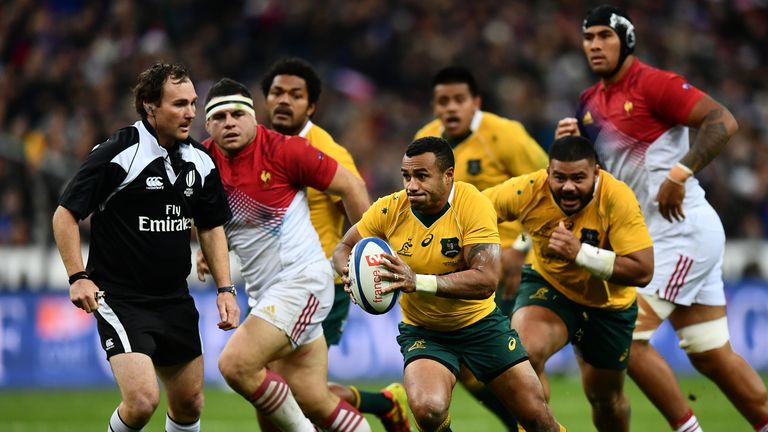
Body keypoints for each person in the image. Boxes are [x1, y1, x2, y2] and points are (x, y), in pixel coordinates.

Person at [555, 5, 768, 432]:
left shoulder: (654, 84)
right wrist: (575, 146)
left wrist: (682, 170)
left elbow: (721, 120)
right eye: (588, 37)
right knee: (711, 354)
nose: (595, 45)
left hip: (681, 231)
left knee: (623, 338)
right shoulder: (589, 103)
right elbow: (601, 177)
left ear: (626, 40)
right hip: (650, 238)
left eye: (605, 36)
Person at [51, 63, 240, 432]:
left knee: (190, 404)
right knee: (141, 401)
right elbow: (65, 215)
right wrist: (78, 277)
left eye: (192, 103)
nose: (190, 113)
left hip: (174, 299)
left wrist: (225, 289)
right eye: (178, 104)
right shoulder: (119, 153)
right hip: (121, 298)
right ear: (149, 106)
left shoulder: (201, 162)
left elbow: (212, 226)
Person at [332, 136, 563, 432]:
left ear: (448, 175)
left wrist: (418, 281)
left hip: (481, 325)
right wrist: (348, 274)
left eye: (421, 176)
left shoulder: (473, 205)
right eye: (406, 176)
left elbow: (486, 280)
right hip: (426, 332)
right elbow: (344, 247)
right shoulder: (390, 209)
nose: (411, 185)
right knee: (428, 411)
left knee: (538, 418)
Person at [201, 77, 372, 431]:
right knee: (312, 400)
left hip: (303, 281)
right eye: (219, 117)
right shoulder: (202, 162)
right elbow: (213, 219)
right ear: (207, 125)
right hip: (266, 293)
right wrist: (213, 250)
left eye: (237, 114)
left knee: (235, 364)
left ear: (253, 116)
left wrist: (364, 252)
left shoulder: (285, 149)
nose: (229, 122)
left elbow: (351, 186)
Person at [258, 57, 411, 432]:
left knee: (280, 384)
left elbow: (363, 210)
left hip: (320, 283)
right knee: (273, 386)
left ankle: (380, 406)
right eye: (277, 92)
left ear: (311, 106)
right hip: (272, 284)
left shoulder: (326, 151)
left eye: (296, 95)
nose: (284, 100)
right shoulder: (259, 147)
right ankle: (384, 402)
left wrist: (369, 261)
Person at [484, 135, 654, 432]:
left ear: (596, 173)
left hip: (608, 305)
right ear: (548, 172)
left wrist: (581, 254)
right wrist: (501, 248)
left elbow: (643, 270)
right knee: (521, 355)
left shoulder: (617, 197)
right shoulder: (528, 189)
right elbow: (473, 210)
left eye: (578, 178)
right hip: (551, 289)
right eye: (559, 177)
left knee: (606, 400)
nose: (568, 186)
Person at [413, 66, 549, 429]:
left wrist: (522, 246)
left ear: (476, 102)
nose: (451, 108)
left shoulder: (506, 135)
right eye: (443, 101)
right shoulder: (426, 140)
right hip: (455, 271)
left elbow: (550, 186)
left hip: (507, 265)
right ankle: (521, 423)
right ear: (434, 105)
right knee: (472, 371)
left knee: (521, 361)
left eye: (459, 100)